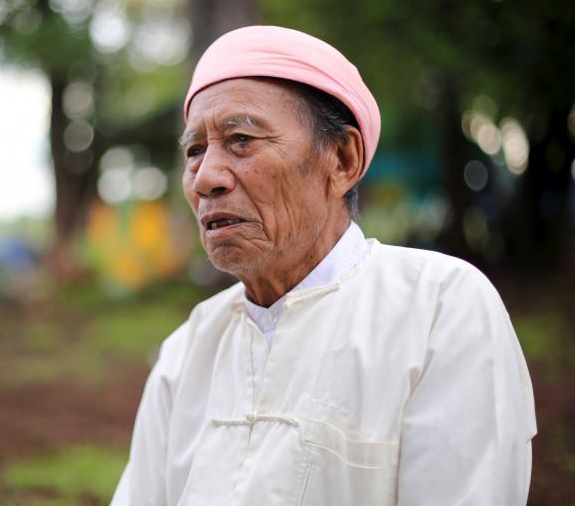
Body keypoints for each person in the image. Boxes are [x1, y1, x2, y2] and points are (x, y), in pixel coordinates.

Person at [110, 26, 536, 506]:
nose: (206, 177)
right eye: (194, 151)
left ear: (341, 159)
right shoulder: (187, 352)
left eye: (241, 139)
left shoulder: (440, 308)